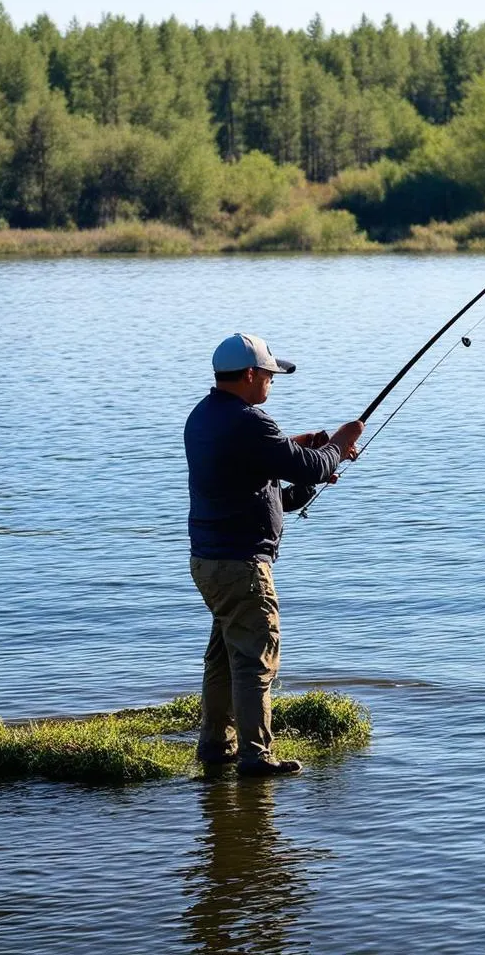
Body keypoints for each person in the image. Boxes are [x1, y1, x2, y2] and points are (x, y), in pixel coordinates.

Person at [185, 332, 363, 777]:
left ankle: (215, 748)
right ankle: (255, 757)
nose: (271, 382)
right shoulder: (250, 422)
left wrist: (306, 459)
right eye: (268, 374)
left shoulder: (204, 417)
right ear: (249, 374)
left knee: (225, 657)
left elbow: (271, 494)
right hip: (243, 567)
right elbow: (311, 465)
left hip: (211, 563)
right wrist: (340, 443)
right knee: (254, 661)